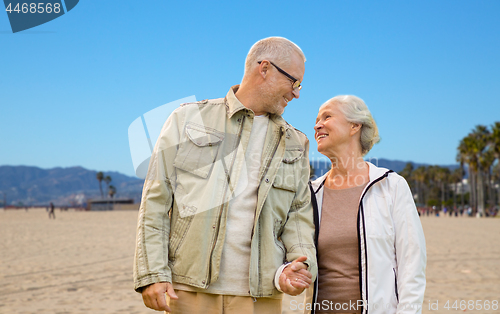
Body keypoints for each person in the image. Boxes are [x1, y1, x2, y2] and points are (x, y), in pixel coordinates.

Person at [134, 37, 317, 314]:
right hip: (188, 290)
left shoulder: (297, 142)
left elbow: (299, 217)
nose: (297, 93)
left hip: (262, 296)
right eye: (295, 82)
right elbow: (156, 201)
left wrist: (300, 265)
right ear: (264, 68)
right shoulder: (186, 119)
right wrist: (152, 274)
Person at [305, 95, 426, 314]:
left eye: (327, 116)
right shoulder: (311, 193)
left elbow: (412, 265)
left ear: (354, 125)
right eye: (316, 119)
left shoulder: (390, 186)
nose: (317, 125)